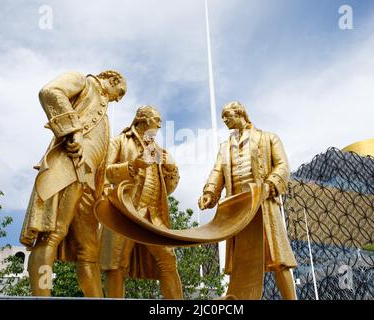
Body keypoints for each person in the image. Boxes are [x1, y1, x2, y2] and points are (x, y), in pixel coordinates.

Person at [20, 70, 126, 297]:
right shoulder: (83, 82)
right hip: (67, 169)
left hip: (89, 184)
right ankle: (43, 294)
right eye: (120, 92)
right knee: (51, 235)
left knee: (89, 251)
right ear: (113, 79)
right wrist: (71, 131)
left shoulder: (104, 115)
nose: (119, 98)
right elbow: (50, 91)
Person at [198, 101, 297, 300]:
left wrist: (269, 186)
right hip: (238, 208)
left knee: (279, 259)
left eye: (227, 115)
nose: (225, 120)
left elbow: (282, 166)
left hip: (263, 204)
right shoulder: (225, 147)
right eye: (223, 117)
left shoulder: (268, 138)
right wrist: (210, 192)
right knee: (242, 262)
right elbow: (218, 172)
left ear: (240, 113)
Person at [100, 105, 183, 299]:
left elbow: (167, 189)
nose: (160, 125)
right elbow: (103, 172)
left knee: (168, 260)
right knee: (116, 264)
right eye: (157, 120)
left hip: (153, 214)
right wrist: (133, 165)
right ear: (142, 119)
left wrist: (170, 169)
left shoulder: (159, 150)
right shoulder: (119, 142)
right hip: (125, 211)